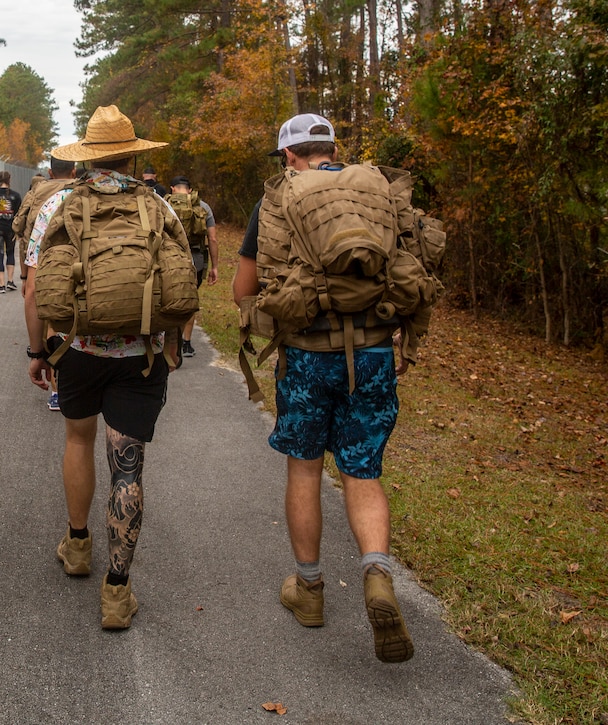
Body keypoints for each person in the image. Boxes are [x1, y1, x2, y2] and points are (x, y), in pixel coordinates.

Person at [233, 113, 414, 663]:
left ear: (289, 156)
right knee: (363, 470)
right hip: (376, 351)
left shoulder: (275, 202)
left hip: (309, 356)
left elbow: (245, 287)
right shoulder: (375, 192)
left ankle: (309, 591)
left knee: (306, 468)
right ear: (334, 148)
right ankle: (378, 573)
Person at [24, 105, 181, 630]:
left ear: (88, 157)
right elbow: (180, 280)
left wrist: (37, 351)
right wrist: (170, 342)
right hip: (140, 354)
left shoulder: (59, 205)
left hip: (78, 351)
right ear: (134, 157)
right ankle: (117, 591)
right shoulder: (160, 205)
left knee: (76, 440)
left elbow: (33, 289)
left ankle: (78, 544)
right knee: (127, 464)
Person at [14, 156, 77, 411]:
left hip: (46, 268)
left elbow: (20, 227)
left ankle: (56, 389)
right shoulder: (81, 194)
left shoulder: (39, 194)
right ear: (75, 170)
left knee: (51, 322)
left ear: (50, 172)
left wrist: (24, 275)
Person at [167, 176, 219, 359]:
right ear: (189, 190)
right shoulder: (203, 207)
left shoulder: (163, 204)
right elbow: (212, 239)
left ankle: (170, 341)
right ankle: (186, 343)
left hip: (170, 260)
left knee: (169, 300)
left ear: (173, 188)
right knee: (190, 300)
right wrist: (215, 266)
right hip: (195, 260)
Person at [0, 171, 23, 293]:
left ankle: (1, 285)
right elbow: (19, 214)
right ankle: (10, 281)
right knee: (10, 253)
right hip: (10, 229)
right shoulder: (15, 196)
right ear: (9, 180)